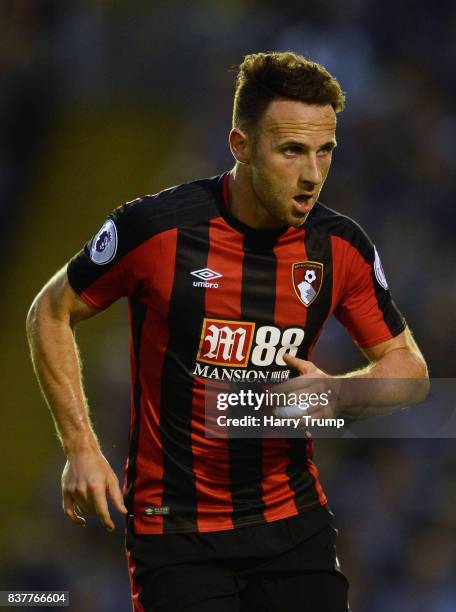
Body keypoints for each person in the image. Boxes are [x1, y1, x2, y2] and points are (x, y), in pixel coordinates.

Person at [26, 51, 428, 612]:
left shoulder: (341, 247)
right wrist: (81, 447)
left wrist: (342, 393)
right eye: (291, 151)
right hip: (177, 531)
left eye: (324, 151)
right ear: (240, 145)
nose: (312, 174)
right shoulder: (155, 228)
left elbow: (409, 370)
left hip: (293, 524)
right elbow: (49, 312)